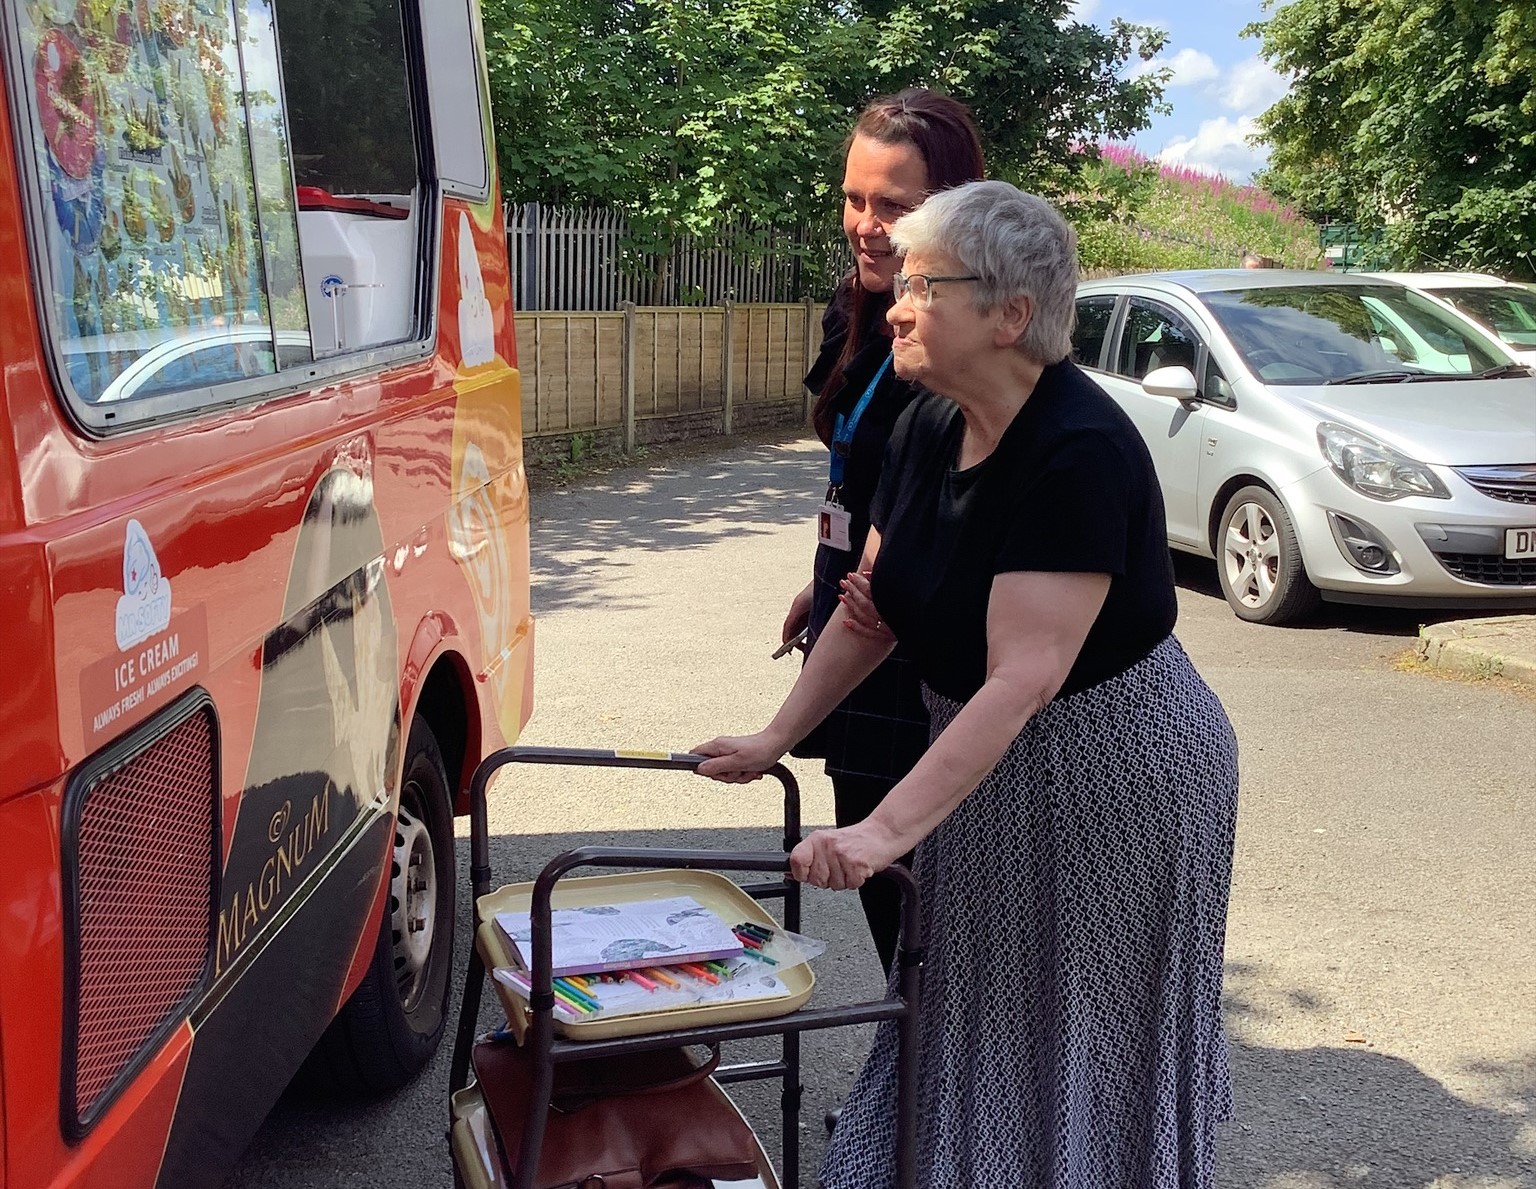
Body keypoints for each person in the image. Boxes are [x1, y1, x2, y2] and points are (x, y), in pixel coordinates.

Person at [697, 180, 1239, 1187]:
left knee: (1080, 1012)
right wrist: (777, 737)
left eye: (923, 286)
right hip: (987, 763)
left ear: (1009, 315)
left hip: (1118, 772)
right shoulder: (924, 420)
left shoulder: (1076, 448)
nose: (895, 303)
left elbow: (1023, 679)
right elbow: (870, 610)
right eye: (900, 282)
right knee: (965, 996)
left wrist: (879, 832)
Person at [784, 88, 985, 977]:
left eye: (893, 206)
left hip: (913, 640)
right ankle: (908, 1089)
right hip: (857, 601)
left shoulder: (952, 342)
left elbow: (935, 506)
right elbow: (862, 479)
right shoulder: (863, 307)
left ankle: (922, 1097)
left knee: (917, 892)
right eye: (854, 197)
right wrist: (820, 579)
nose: (865, 224)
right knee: (888, 896)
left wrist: (767, 735)